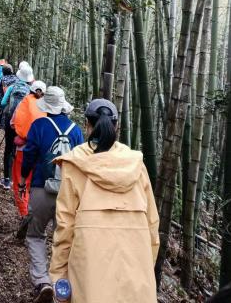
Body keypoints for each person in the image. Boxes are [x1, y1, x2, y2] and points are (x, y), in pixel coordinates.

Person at [49, 98, 159, 303]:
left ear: (87, 125)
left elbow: (64, 227)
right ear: (116, 127)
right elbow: (152, 224)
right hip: (136, 268)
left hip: (90, 271)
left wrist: (59, 275)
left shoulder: (75, 163)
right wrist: (145, 266)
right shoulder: (136, 164)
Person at [19, 86, 84, 303]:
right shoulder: (76, 131)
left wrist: (23, 179)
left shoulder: (39, 125)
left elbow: (29, 156)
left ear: (46, 105)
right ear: (64, 106)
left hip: (41, 188)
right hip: (68, 194)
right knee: (63, 240)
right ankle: (61, 288)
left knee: (35, 235)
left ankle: (42, 281)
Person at [12, 80, 47, 221]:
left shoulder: (24, 102)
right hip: (41, 152)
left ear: (30, 90)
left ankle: (24, 213)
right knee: (34, 183)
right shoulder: (48, 106)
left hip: (23, 149)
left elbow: (13, 123)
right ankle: (34, 213)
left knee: (20, 181)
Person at [0, 61, 34, 190]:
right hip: (23, 125)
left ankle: (6, 180)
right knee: (18, 149)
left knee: (8, 149)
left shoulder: (12, 87)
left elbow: (3, 103)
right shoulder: (30, 91)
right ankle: (16, 179)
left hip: (10, 122)